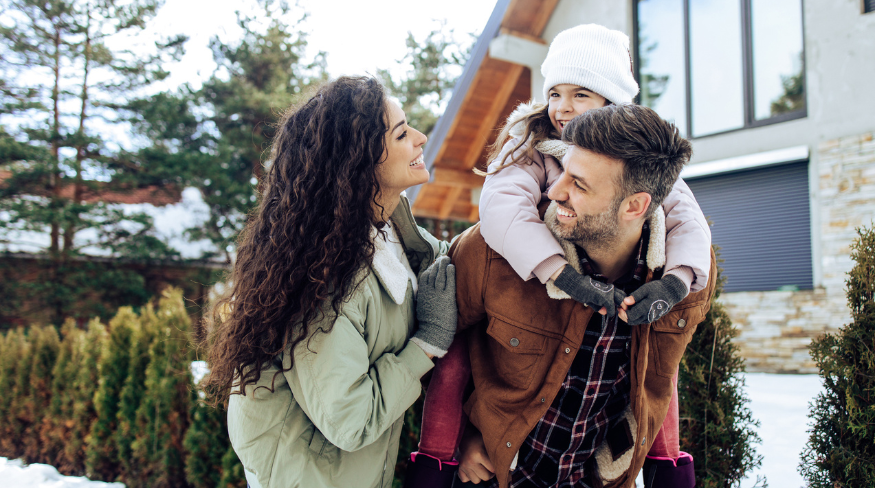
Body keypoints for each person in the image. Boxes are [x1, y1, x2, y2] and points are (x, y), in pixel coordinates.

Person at [404, 24, 711, 488]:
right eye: (555, 93)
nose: (563, 107)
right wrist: (559, 273)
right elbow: (501, 207)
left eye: (581, 94)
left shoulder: (642, 167)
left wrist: (677, 280)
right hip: (509, 467)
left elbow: (656, 378)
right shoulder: (529, 143)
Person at [203, 76, 459, 488]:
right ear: (360, 162)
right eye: (401, 133)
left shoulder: (387, 229)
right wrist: (427, 345)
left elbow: (451, 258)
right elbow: (350, 422)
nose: (421, 137)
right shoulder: (327, 277)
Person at [449, 103, 717, 488]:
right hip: (495, 477)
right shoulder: (493, 251)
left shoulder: (687, 271)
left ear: (635, 206)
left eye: (579, 183)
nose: (554, 190)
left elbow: (659, 380)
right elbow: (440, 341)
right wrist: (462, 436)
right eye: (563, 172)